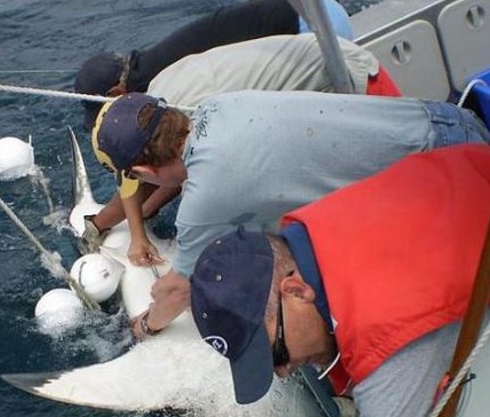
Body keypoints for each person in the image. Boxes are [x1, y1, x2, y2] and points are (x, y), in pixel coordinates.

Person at [188, 143, 490, 417]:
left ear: (296, 291)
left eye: (275, 353)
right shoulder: (312, 230)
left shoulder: (383, 336)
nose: (284, 372)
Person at [90, 91, 490, 340]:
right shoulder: (218, 104)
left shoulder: (205, 199)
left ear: (141, 172)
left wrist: (144, 327)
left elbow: (177, 292)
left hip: (452, 185)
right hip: (453, 122)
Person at [83, 33, 402, 262]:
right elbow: (171, 169)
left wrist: (150, 323)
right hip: (328, 54)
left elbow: (178, 175)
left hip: (356, 91)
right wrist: (131, 219)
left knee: (383, 224)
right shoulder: (160, 103)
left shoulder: (199, 116)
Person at [75, 0, 353, 131]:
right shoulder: (148, 62)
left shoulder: (156, 87)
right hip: (319, 10)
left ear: (116, 92)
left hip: (316, 33)